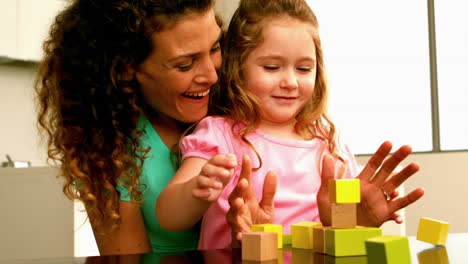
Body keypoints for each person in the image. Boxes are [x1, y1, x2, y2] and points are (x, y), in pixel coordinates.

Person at [156, 0, 425, 250]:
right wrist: (197, 191)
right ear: (237, 67)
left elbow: (343, 235)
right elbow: (169, 217)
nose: (291, 82)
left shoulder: (329, 143)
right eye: (272, 67)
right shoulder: (218, 135)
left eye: (304, 69)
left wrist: (357, 224)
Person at [34, 0, 226, 255]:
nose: (211, 75)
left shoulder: (237, 111)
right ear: (125, 68)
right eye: (185, 65)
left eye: (214, 48)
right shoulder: (109, 150)